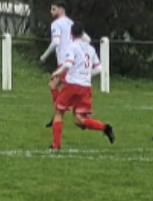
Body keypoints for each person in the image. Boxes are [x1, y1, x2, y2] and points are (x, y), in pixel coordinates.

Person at [49, 24, 115, 152]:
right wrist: (85, 75)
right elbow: (99, 69)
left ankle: (55, 146)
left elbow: (67, 64)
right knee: (79, 120)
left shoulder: (72, 47)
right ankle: (105, 128)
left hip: (72, 85)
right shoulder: (90, 49)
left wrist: (56, 73)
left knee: (58, 112)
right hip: (85, 87)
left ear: (71, 34)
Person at [39, 1, 74, 127]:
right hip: (72, 60)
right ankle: (57, 114)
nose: (51, 12)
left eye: (53, 9)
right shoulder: (71, 23)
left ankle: (59, 112)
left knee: (53, 85)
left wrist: (44, 56)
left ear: (60, 10)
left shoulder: (56, 24)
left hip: (65, 61)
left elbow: (55, 41)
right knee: (54, 84)